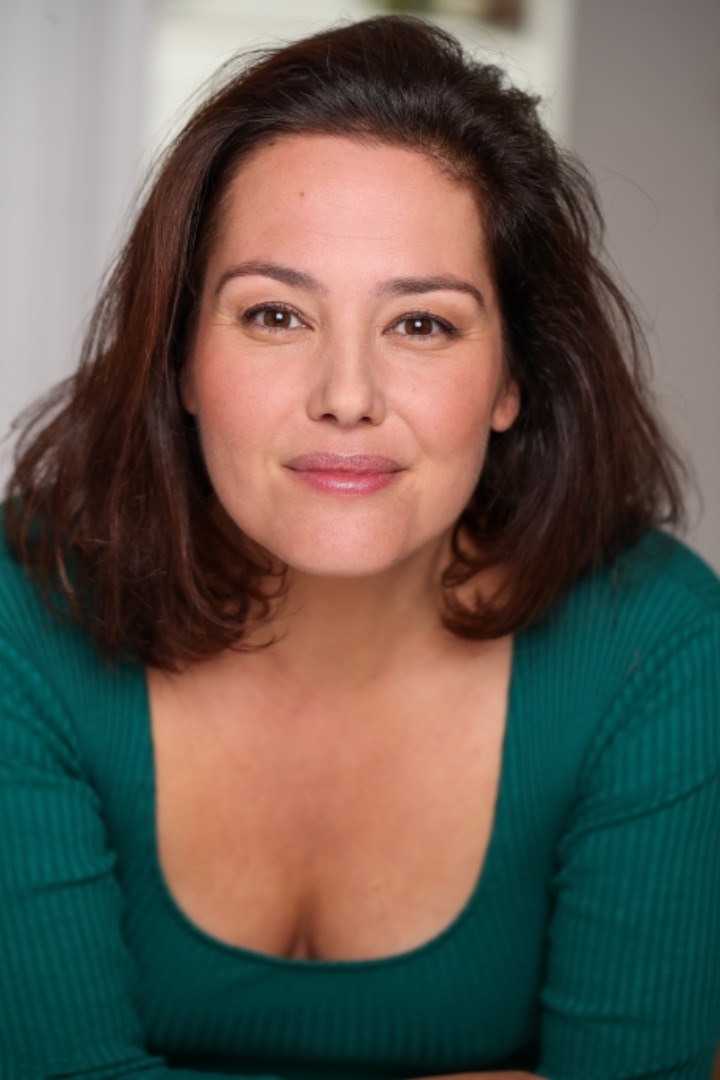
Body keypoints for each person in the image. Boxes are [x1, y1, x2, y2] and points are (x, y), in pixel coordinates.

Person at [1, 13, 719, 1080]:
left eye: (421, 324)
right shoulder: (22, 618)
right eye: (275, 316)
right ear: (181, 357)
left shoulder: (654, 648)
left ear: (513, 378)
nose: (347, 396)